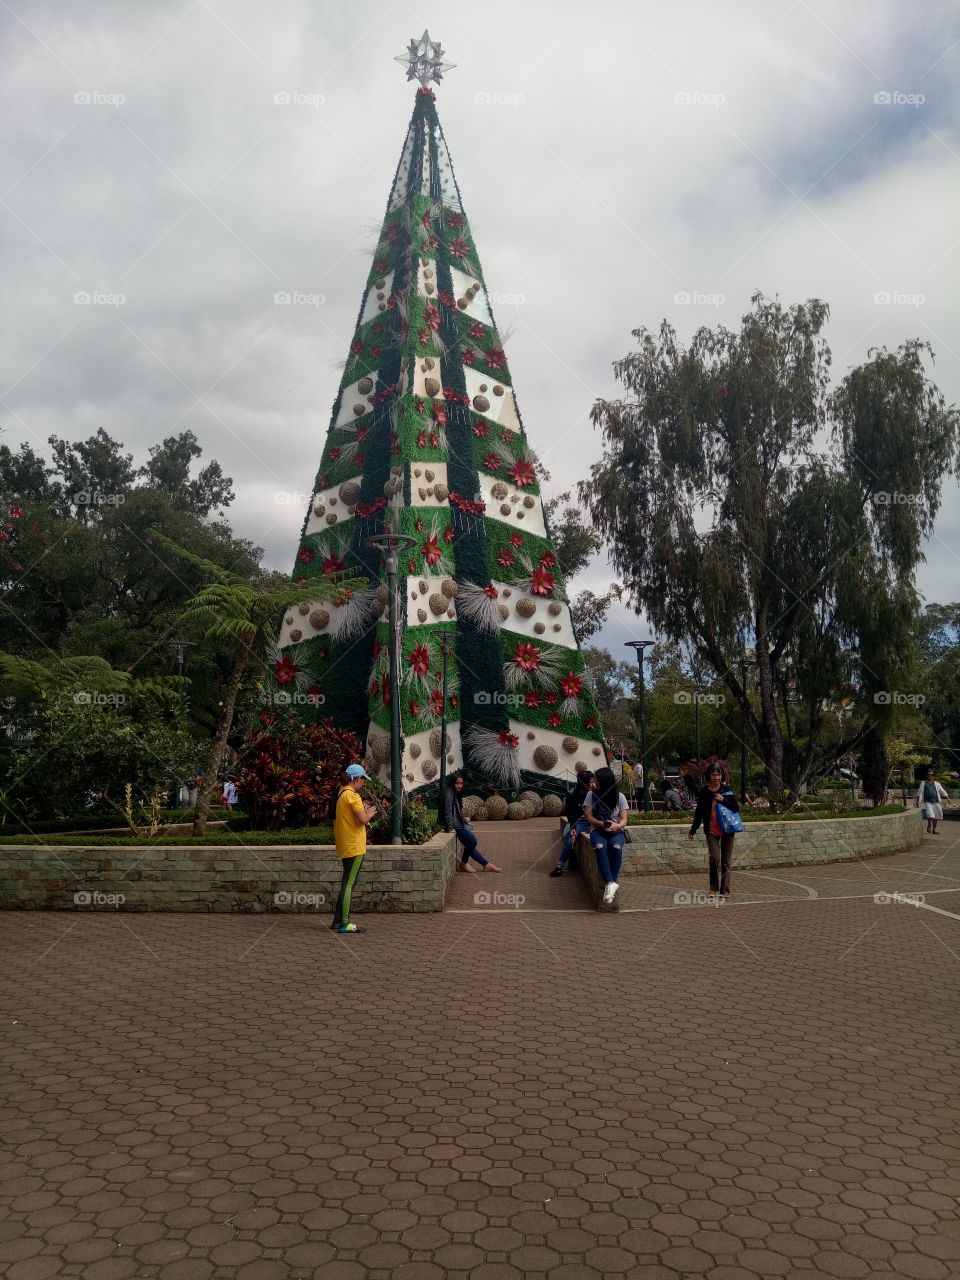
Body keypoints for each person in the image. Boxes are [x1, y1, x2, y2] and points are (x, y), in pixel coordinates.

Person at [332, 764, 378, 934]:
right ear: (357, 779)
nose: (363, 784)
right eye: (362, 780)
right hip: (354, 847)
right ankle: (344, 923)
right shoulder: (352, 796)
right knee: (349, 885)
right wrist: (371, 812)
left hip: (346, 845)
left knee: (346, 883)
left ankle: (338, 921)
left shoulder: (341, 793)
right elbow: (362, 819)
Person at [688, 763, 740, 898]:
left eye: (719, 775)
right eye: (714, 775)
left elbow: (736, 807)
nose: (716, 777)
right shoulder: (704, 792)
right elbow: (698, 813)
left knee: (726, 861)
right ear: (709, 776)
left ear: (722, 776)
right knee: (714, 857)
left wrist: (723, 799)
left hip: (728, 829)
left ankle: (725, 890)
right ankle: (713, 888)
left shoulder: (726, 790)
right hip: (711, 829)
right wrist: (693, 829)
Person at [585, 766, 630, 905]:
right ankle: (611, 883)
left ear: (604, 781)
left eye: (596, 780)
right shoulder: (591, 795)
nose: (594, 783)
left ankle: (611, 884)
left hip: (616, 831)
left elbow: (624, 819)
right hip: (598, 830)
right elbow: (589, 817)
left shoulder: (619, 796)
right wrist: (601, 823)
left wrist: (616, 826)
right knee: (600, 847)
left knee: (616, 847)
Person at [440, 773, 501, 873]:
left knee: (470, 845)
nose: (459, 785)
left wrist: (464, 821)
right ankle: (464, 863)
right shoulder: (448, 794)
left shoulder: (453, 792)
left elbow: (457, 811)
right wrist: (450, 828)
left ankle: (486, 865)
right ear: (452, 782)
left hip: (457, 824)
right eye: (457, 783)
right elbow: (447, 812)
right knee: (473, 841)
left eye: (461, 783)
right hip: (454, 826)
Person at [550, 770, 595, 876]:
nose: (594, 784)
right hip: (579, 821)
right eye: (591, 781)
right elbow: (571, 815)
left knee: (569, 839)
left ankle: (561, 865)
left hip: (592, 821)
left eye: (594, 781)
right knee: (568, 838)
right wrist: (574, 827)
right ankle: (562, 865)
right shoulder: (572, 794)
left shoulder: (596, 793)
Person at [916, 768, 949, 835]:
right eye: (928, 775)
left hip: (936, 802)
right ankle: (929, 826)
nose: (929, 776)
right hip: (928, 802)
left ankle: (934, 830)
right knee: (930, 815)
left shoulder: (937, 784)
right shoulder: (923, 783)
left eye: (931, 775)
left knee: (936, 816)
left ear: (933, 776)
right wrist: (917, 801)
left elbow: (942, 791)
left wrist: (948, 798)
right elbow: (919, 792)